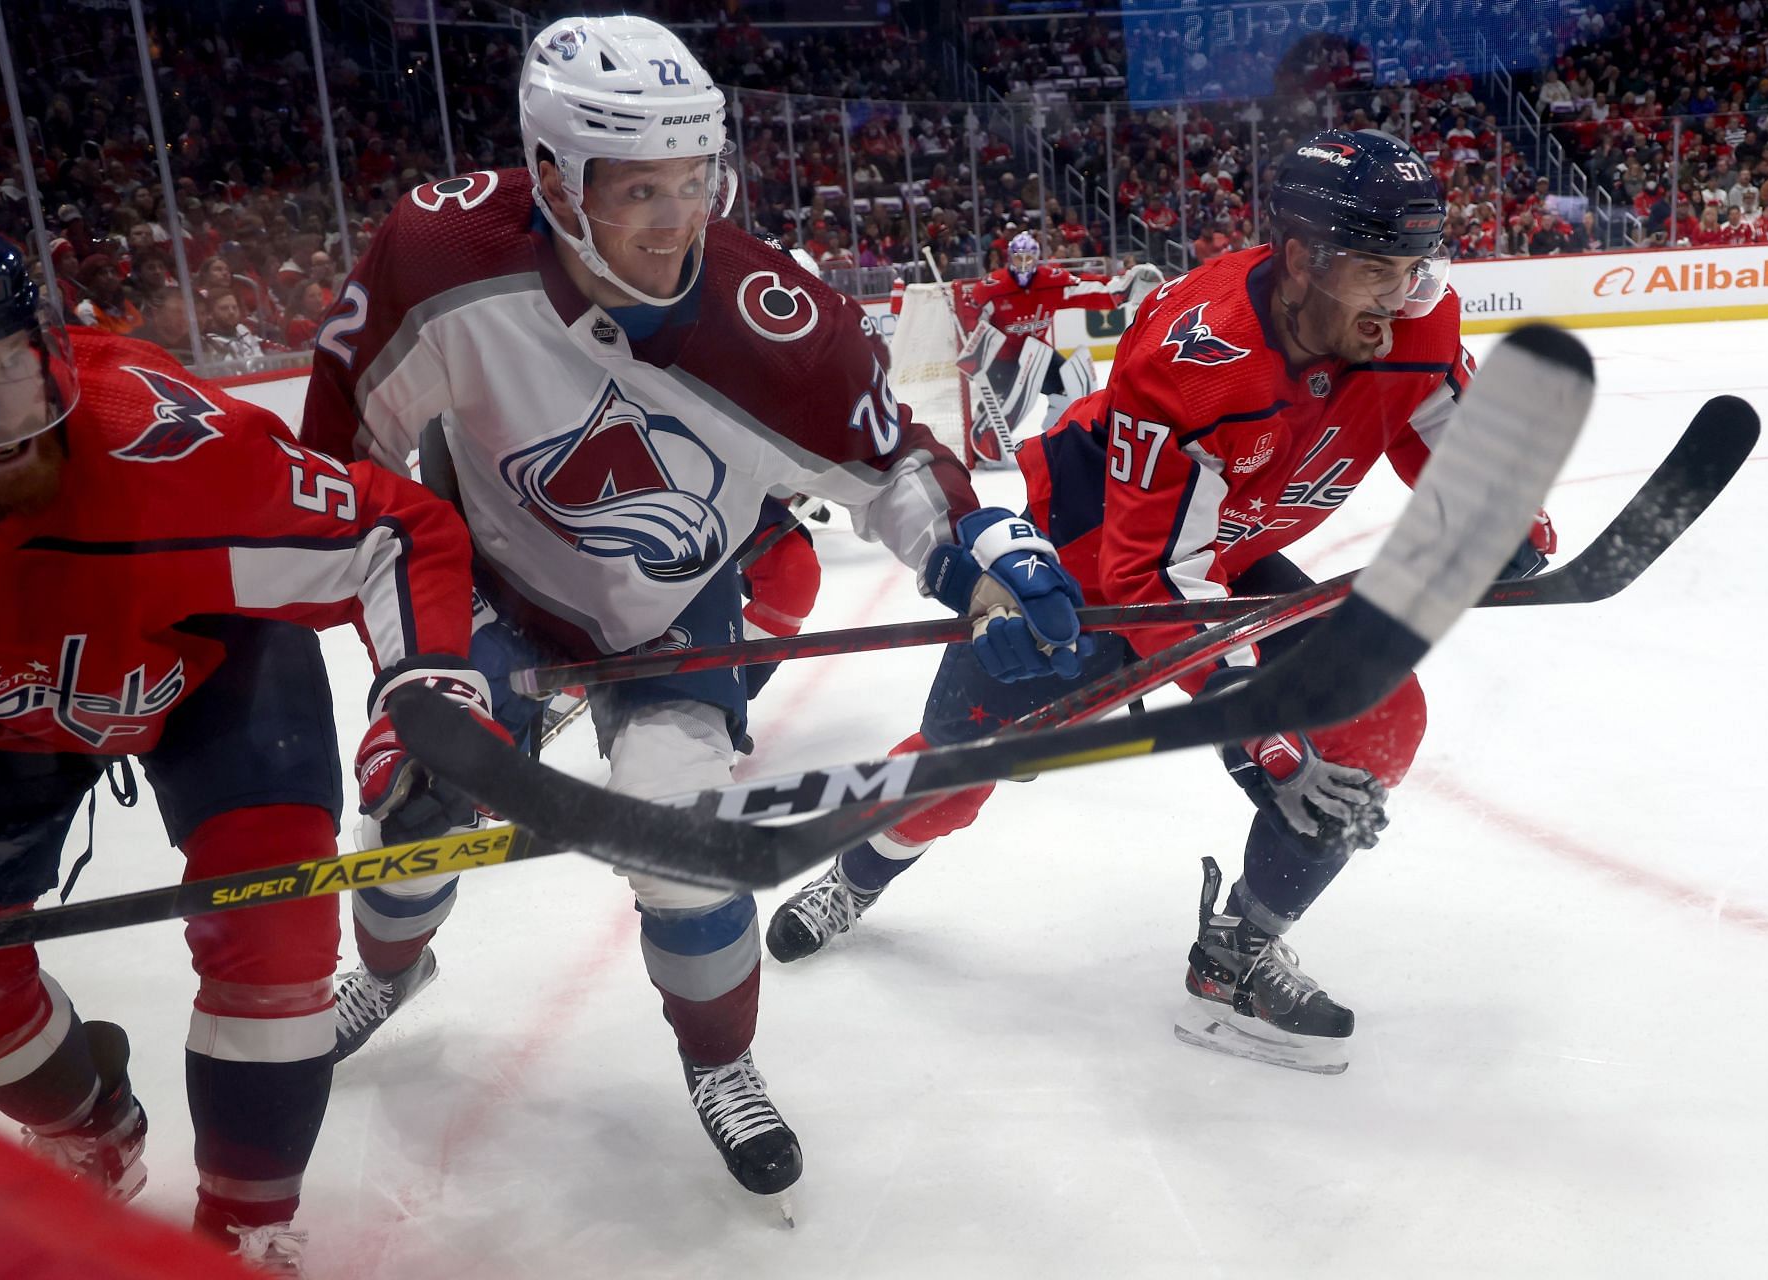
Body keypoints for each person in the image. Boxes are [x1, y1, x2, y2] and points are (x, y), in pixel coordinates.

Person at [300, 15, 1088, 1208]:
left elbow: (895, 469)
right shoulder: (438, 255)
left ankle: (720, 1059)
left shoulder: (782, 322)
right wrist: (417, 651)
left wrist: (986, 562)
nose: (676, 222)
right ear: (556, 179)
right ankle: (391, 965)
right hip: (484, 589)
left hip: (673, 617)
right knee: (412, 811)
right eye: (638, 190)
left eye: (693, 182)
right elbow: (338, 469)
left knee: (685, 854)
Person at [764, 130, 1555, 1075]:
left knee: (1378, 716)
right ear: (1303, 260)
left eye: (1417, 268)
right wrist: (1260, 732)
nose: (1405, 298)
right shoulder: (1195, 357)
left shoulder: (1415, 317)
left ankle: (1238, 955)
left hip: (1227, 556)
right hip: (1090, 570)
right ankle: (858, 873)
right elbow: (1147, 580)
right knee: (960, 762)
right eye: (1381, 270)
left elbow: (1436, 416)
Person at [0, 173, 487, 1273]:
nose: (9, 412)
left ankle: (247, 1223)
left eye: (15, 358)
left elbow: (398, 532)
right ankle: (92, 1125)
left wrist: (428, 700)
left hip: (212, 677)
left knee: (279, 948)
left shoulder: (164, 448)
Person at [954, 230, 1160, 451]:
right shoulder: (994, 287)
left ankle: (1056, 438)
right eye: (1018, 257)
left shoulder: (1050, 281)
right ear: (1009, 257)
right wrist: (973, 345)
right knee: (999, 404)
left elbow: (1088, 288)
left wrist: (1123, 289)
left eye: (1029, 257)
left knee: (1068, 385)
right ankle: (984, 438)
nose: (1023, 263)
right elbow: (971, 315)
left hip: (1036, 354)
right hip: (1002, 360)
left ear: (1037, 257)